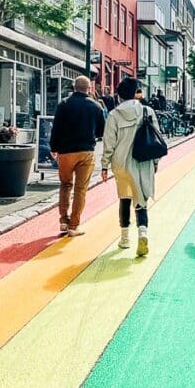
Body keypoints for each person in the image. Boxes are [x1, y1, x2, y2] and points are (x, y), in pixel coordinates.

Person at [101, 76, 160, 256]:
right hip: (142, 161)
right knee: (141, 198)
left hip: (121, 163)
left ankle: (125, 238)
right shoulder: (147, 111)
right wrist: (155, 162)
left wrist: (104, 165)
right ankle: (143, 232)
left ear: (119, 95)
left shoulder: (114, 114)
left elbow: (108, 142)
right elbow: (156, 137)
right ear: (136, 94)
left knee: (124, 198)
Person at [50, 75, 105, 236]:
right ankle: (74, 225)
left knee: (65, 185)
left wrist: (54, 147)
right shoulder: (96, 106)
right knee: (80, 189)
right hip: (86, 151)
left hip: (65, 152)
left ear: (74, 87)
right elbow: (102, 131)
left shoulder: (63, 104)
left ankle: (63, 221)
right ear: (89, 89)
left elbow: (56, 128)